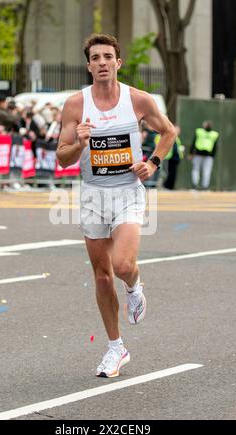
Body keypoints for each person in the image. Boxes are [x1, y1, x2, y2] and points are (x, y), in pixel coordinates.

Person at [57, 34, 176, 378]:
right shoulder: (75, 105)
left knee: (122, 265)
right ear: (89, 66)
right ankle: (115, 348)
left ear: (118, 63)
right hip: (94, 194)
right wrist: (79, 143)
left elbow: (168, 132)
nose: (103, 62)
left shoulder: (138, 100)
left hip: (127, 192)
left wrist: (152, 162)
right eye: (96, 58)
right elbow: (62, 157)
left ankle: (135, 286)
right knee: (101, 274)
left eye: (108, 56)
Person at [189, 121, 219, 190]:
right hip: (208, 156)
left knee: (196, 169)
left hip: (198, 154)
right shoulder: (214, 134)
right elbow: (215, 147)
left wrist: (191, 153)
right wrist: (213, 156)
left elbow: (193, 143)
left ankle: (195, 185)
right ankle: (205, 186)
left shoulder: (199, 132)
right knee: (206, 171)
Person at [162, 125, 184, 190]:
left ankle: (171, 186)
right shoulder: (171, 137)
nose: (178, 131)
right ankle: (167, 185)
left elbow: (177, 148)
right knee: (169, 172)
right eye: (177, 130)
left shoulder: (177, 138)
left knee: (173, 173)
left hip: (176, 158)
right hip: (170, 157)